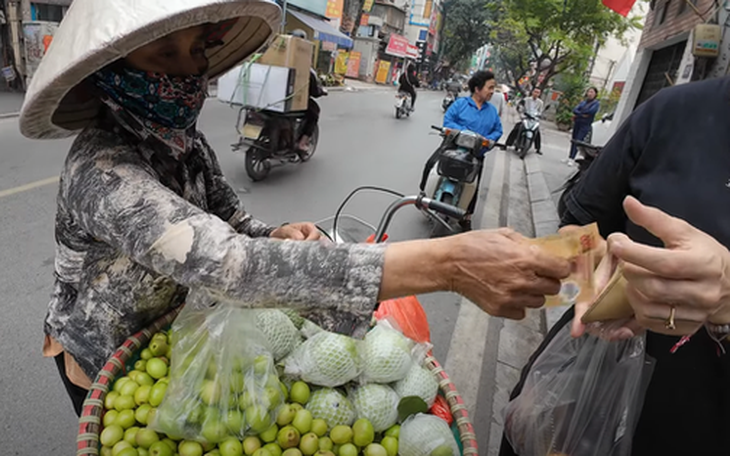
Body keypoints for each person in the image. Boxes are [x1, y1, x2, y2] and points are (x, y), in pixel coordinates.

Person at [20, 0, 571, 417]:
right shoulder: (102, 170)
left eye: (194, 52)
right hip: (106, 355)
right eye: (165, 54)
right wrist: (447, 265)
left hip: (174, 337)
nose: (187, 72)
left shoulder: (185, 143)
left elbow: (236, 226)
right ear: (114, 68)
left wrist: (279, 232)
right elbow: (229, 264)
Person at [499, 77, 730, 456]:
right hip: (572, 400)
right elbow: (577, 227)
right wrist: (597, 279)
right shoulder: (671, 111)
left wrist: (724, 306)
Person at [419, 70, 503, 232]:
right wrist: (463, 132)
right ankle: (423, 193)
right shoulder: (460, 104)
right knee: (430, 164)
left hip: (476, 154)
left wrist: (487, 140)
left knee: (475, 185)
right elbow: (448, 120)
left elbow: (497, 131)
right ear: (477, 88)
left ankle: (467, 216)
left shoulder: (491, 111)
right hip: (452, 147)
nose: (492, 92)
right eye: (490, 87)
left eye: (493, 88)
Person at [290, 29, 327, 153]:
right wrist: (321, 91)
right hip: (293, 102)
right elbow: (315, 91)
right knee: (314, 112)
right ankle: (302, 142)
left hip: (271, 100)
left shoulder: (277, 59)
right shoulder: (305, 68)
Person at [565, 87, 599, 166]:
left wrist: (580, 113)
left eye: (592, 92)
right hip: (577, 122)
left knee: (578, 140)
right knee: (573, 140)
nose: (590, 94)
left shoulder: (596, 103)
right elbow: (575, 110)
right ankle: (570, 156)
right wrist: (582, 114)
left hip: (585, 125)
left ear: (595, 94)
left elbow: (590, 112)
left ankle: (572, 158)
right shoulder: (583, 102)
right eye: (589, 92)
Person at [505, 88, 544, 154]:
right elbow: (520, 107)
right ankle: (506, 144)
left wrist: (538, 116)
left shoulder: (540, 103)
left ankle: (538, 149)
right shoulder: (526, 100)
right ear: (532, 92)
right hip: (525, 118)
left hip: (533, 119)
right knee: (516, 128)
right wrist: (522, 114)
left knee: (537, 132)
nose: (536, 94)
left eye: (538, 92)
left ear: (539, 94)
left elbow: (540, 112)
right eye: (535, 92)